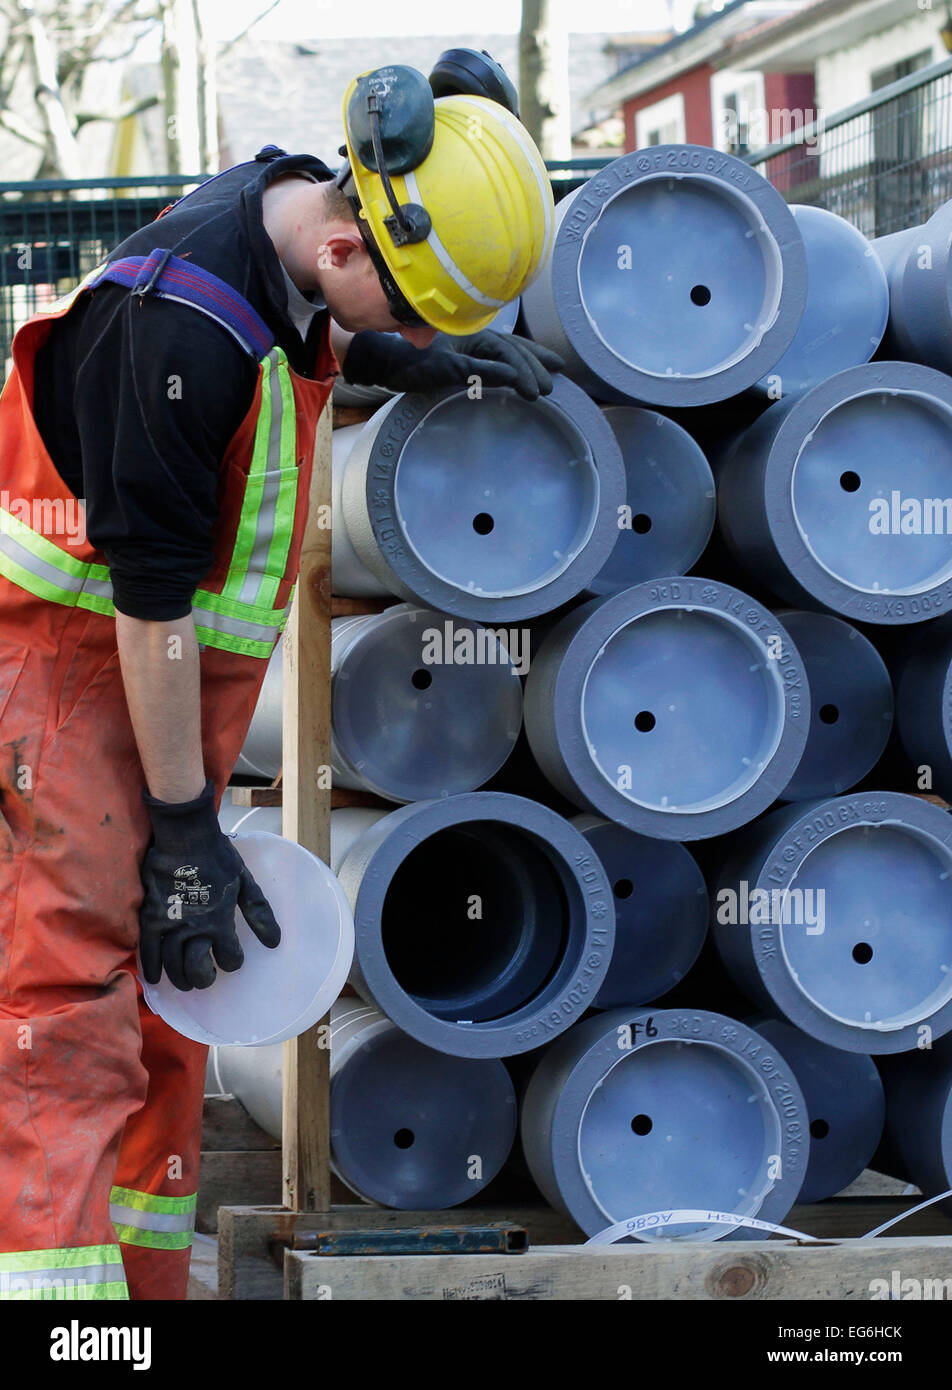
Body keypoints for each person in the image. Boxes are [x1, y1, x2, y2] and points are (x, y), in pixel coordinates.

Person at [0, 60, 560, 1300]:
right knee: (68, 1014)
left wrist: (401, 364)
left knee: (169, 1007)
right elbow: (149, 614)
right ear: (348, 243)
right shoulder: (173, 335)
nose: (411, 338)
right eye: (406, 313)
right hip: (73, 671)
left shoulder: (290, 211)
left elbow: (311, 333)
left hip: (153, 680)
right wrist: (189, 827)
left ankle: (140, 1303)